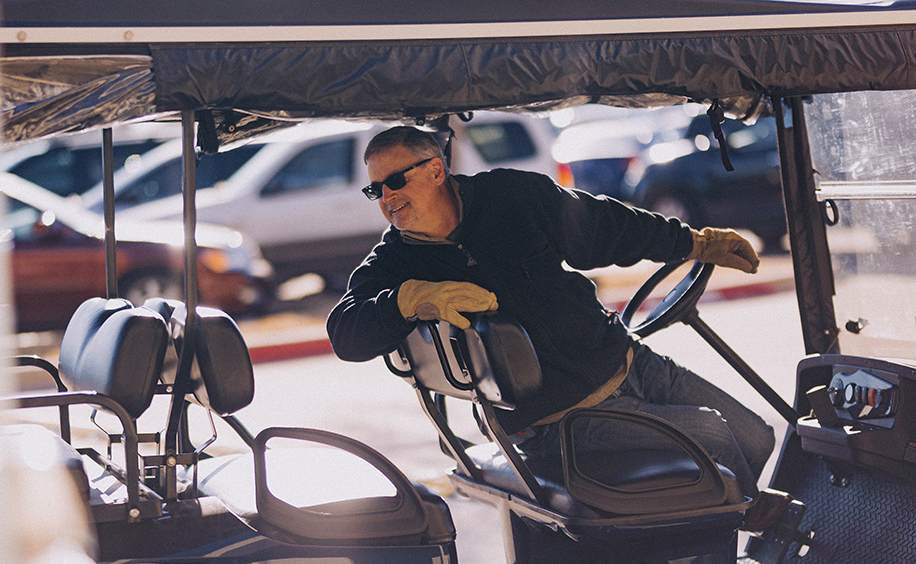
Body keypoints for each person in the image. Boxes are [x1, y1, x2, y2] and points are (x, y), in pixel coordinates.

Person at [326, 124, 776, 507]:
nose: (386, 198)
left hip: (627, 361)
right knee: (716, 437)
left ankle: (725, 522)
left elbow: (604, 226)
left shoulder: (510, 196)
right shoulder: (395, 262)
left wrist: (694, 243)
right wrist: (408, 298)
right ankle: (745, 523)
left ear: (436, 170)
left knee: (756, 437)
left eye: (395, 181)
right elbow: (344, 331)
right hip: (557, 421)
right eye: (375, 189)